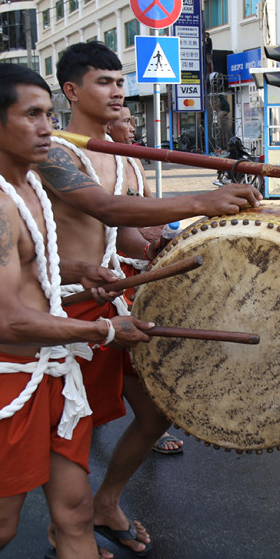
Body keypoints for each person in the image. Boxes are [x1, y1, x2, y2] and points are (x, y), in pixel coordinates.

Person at [0, 62, 154, 559]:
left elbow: (29, 268)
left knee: (75, 514)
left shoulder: (29, 187)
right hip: (3, 382)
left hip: (54, 373)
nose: (45, 127)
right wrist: (104, 329)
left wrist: (79, 271)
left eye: (49, 114)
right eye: (31, 115)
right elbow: (7, 321)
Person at [36, 41, 260, 559]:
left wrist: (170, 247)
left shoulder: (125, 159)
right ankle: (63, 530)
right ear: (71, 91)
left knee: (158, 412)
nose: (117, 91)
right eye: (103, 82)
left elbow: (128, 238)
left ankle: (106, 502)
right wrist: (203, 199)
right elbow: (106, 209)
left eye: (120, 81)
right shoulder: (54, 152)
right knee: (73, 426)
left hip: (117, 302)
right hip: (69, 305)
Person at [106, 105, 184, 455]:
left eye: (133, 120)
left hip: (135, 264)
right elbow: (115, 223)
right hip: (109, 270)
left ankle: (150, 421)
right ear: (106, 126)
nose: (133, 126)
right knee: (124, 343)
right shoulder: (97, 162)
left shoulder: (134, 161)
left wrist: (168, 236)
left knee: (142, 340)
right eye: (125, 120)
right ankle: (148, 421)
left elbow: (150, 209)